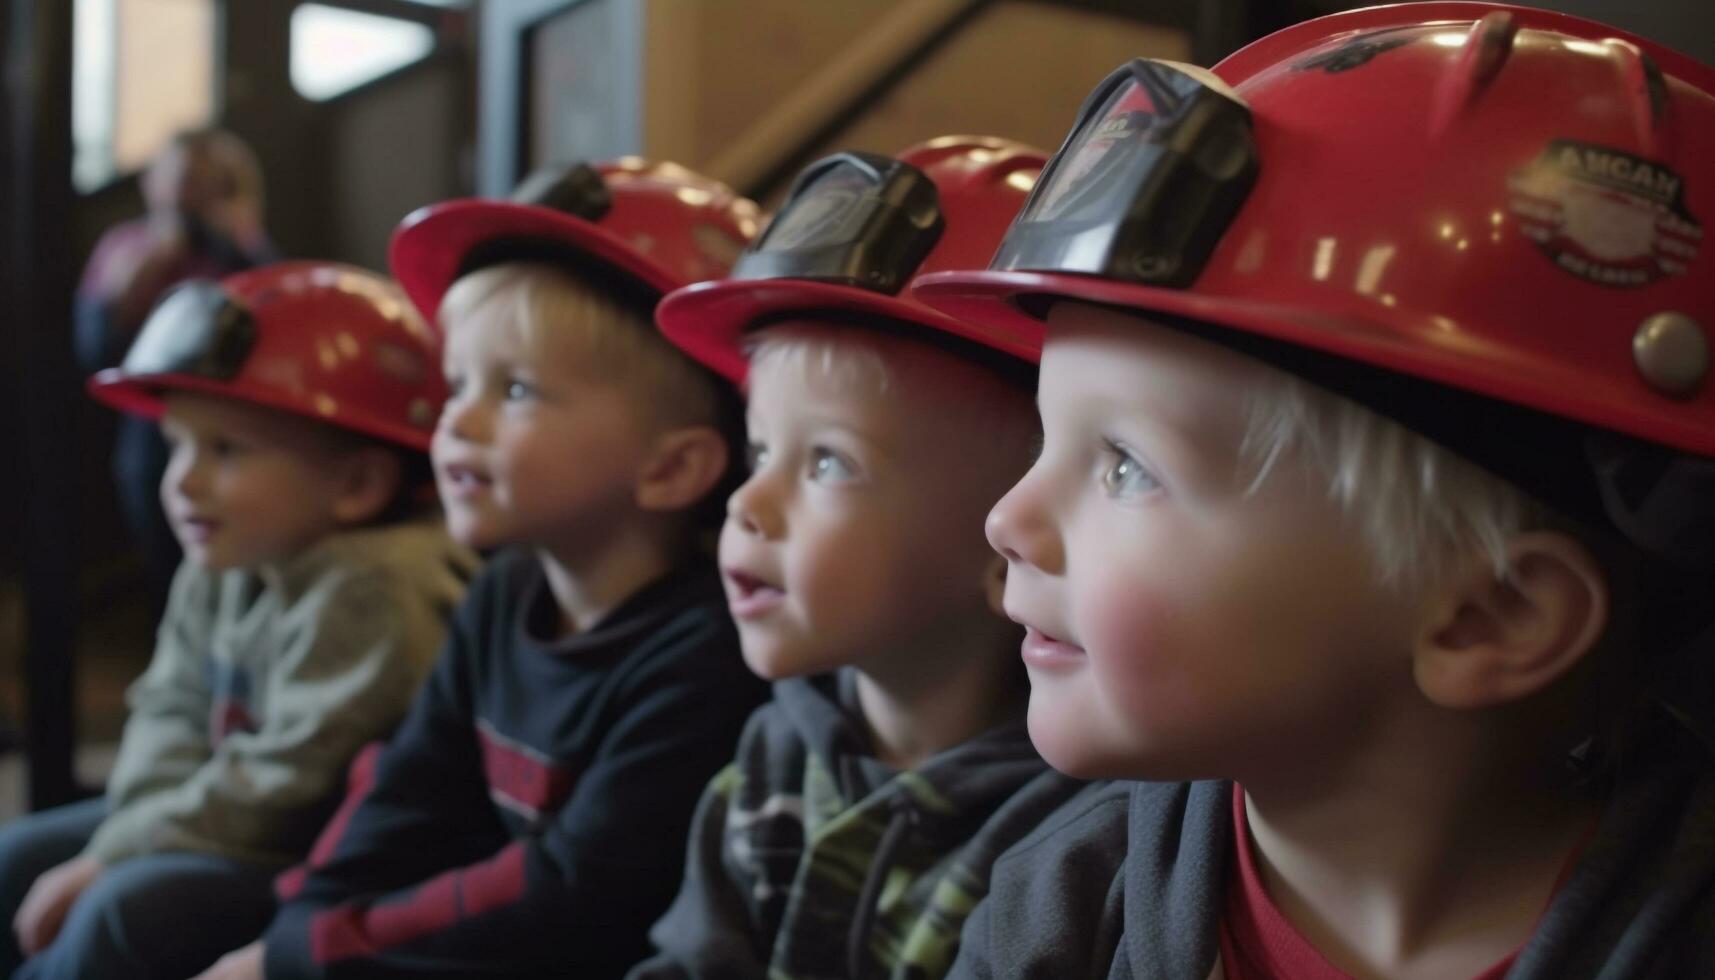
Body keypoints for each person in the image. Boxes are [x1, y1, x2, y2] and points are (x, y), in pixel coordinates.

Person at [911, 6, 1715, 977]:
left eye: (1124, 464)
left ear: (1490, 613)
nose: (1005, 519)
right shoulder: (1064, 909)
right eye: (1049, 437)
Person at [199, 160, 773, 980]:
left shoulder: (707, 652)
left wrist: (312, 951)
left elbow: (568, 892)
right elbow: (409, 789)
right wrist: (303, 920)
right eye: (458, 382)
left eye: (514, 391)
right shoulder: (507, 588)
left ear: (670, 469)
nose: (454, 420)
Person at [629, 137, 1085, 980]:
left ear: (1009, 546)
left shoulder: (1067, 837)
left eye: (827, 463)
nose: (745, 505)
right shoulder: (773, 754)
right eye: (759, 451)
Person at [0, 261, 475, 980]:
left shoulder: (377, 582)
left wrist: (121, 854)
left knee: (122, 910)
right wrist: (129, 832)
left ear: (359, 484)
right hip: (227, 823)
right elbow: (171, 707)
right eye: (177, 444)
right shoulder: (228, 552)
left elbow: (293, 781)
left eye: (225, 450)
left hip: (313, 852)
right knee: (17, 858)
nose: (182, 482)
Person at [76, 128, 279, 613]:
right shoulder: (124, 246)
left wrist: (240, 243)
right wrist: (152, 264)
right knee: (167, 569)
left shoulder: (238, 247)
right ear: (153, 184)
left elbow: (274, 322)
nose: (190, 193)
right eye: (182, 179)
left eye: (207, 182)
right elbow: (95, 347)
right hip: (151, 429)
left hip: (238, 426)